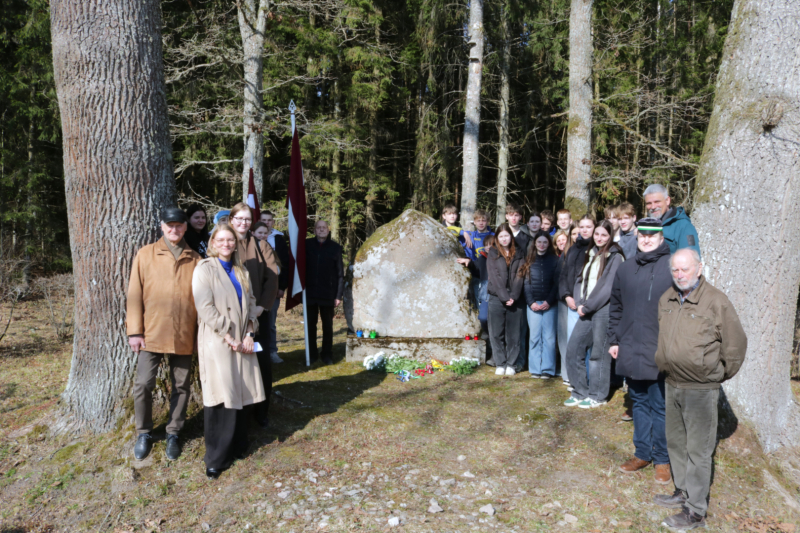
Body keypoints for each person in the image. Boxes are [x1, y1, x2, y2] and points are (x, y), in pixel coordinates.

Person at [653, 249, 747, 530]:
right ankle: (682, 492)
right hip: (672, 383)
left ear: (699, 268)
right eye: (676, 270)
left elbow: (736, 344)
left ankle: (695, 511)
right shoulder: (666, 298)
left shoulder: (716, 301)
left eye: (685, 269)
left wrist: (715, 374)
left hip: (700, 389)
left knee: (698, 450)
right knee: (676, 444)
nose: (680, 275)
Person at [126, 207, 201, 461]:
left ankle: (174, 432)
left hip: (184, 332)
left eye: (179, 225)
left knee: (181, 386)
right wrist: (134, 331)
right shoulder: (146, 254)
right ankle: (144, 431)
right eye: (170, 225)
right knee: (143, 384)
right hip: (152, 333)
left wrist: (200, 335)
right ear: (161, 226)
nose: (174, 230)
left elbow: (202, 301)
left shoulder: (196, 258)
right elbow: (134, 294)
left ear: (185, 227)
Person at [192, 223, 263, 480]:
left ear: (235, 242)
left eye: (230, 240)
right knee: (220, 395)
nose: (226, 244)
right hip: (218, 340)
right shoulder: (204, 268)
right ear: (212, 242)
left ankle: (237, 446)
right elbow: (205, 306)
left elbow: (252, 302)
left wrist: (248, 332)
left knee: (240, 391)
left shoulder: (240, 269)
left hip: (242, 339)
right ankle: (215, 458)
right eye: (221, 240)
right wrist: (229, 335)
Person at [607, 218, 673, 484]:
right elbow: (616, 307)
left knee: (661, 406)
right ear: (637, 237)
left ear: (660, 237)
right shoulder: (626, 268)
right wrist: (614, 340)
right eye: (642, 235)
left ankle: (663, 460)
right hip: (631, 346)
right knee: (639, 403)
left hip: (661, 348)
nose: (646, 239)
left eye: (651, 235)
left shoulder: (671, 267)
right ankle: (642, 453)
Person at [228, 203, 279, 427]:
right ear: (231, 220)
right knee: (235, 364)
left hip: (257, 314)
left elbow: (272, 276)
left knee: (261, 363)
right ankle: (237, 411)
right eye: (239, 218)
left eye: (247, 219)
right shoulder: (223, 241)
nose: (243, 223)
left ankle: (261, 412)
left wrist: (262, 307)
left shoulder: (260, 244)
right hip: (230, 317)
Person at [564, 220, 625, 409]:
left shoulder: (615, 256)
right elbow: (579, 279)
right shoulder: (590, 253)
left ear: (610, 236)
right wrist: (579, 301)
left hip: (604, 310)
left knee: (599, 354)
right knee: (573, 349)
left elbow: (607, 288)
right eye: (597, 234)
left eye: (604, 235)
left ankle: (598, 395)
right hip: (587, 308)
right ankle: (580, 391)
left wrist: (588, 306)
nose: (599, 238)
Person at [486, 223, 525, 376]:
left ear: (511, 236)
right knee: (496, 333)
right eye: (501, 236)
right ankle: (500, 363)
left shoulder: (520, 252)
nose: (504, 239)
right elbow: (494, 277)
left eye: (506, 236)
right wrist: (504, 297)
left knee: (513, 334)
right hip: (497, 297)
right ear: (497, 238)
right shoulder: (493, 253)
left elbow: (520, 274)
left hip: (515, 298)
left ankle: (511, 364)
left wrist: (513, 296)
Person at [520, 231, 559, 379]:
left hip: (550, 304)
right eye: (539, 242)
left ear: (548, 243)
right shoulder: (528, 260)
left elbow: (557, 283)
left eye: (544, 242)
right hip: (534, 305)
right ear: (534, 244)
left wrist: (549, 301)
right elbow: (526, 284)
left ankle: (548, 369)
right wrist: (531, 302)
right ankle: (535, 368)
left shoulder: (555, 260)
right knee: (534, 337)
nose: (542, 245)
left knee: (549, 337)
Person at [305, 220, 345, 365]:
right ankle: (312, 353)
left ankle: (327, 354)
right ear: (314, 230)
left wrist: (338, 295)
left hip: (328, 294)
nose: (321, 230)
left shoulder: (335, 248)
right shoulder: (306, 245)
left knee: (327, 326)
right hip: (309, 293)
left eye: (324, 228)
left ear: (328, 231)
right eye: (318, 228)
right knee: (310, 325)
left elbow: (340, 274)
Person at [257, 211, 290, 364]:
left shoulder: (279, 240)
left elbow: (285, 265)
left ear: (273, 222)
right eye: (264, 220)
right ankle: (257, 353)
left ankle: (272, 352)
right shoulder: (251, 241)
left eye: (269, 220)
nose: (267, 222)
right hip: (255, 290)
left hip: (273, 289)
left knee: (270, 323)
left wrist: (282, 286)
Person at [643, 184, 700, 256]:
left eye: (657, 202)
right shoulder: (646, 225)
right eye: (649, 203)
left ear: (667, 201)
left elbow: (691, 259)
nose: (653, 207)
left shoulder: (684, 226)